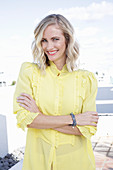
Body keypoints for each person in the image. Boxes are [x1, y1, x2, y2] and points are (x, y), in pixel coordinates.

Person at [13, 14, 99, 170]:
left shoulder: (86, 79)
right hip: (38, 162)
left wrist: (41, 117)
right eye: (44, 40)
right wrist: (74, 119)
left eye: (55, 39)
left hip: (77, 163)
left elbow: (87, 129)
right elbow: (26, 119)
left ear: (67, 39)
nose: (48, 47)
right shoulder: (28, 72)